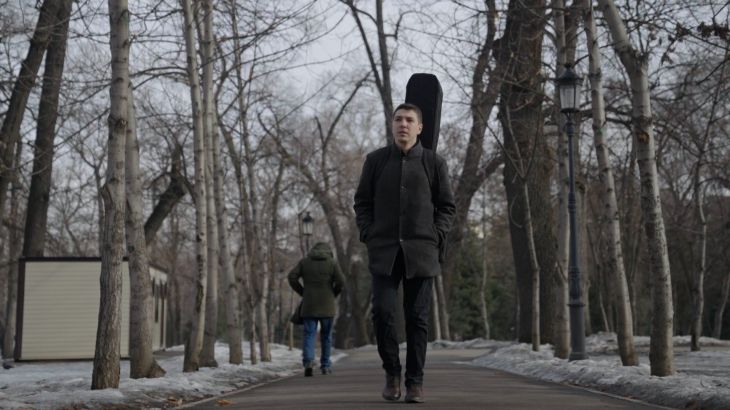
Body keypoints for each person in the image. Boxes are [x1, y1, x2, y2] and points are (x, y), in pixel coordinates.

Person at [353, 103, 456, 403]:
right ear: (392, 124)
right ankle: (392, 373)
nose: (403, 124)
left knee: (417, 319)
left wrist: (436, 235)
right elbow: (362, 202)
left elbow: (447, 207)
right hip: (384, 251)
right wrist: (368, 233)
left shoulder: (434, 163)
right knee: (383, 313)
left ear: (419, 127)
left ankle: (414, 382)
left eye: (410, 120)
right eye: (398, 119)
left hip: (421, 252)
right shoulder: (376, 161)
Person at [288, 241, 346, 376]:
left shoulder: (304, 262)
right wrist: (334, 293)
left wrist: (303, 291)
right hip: (327, 305)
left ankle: (308, 362)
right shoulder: (332, 263)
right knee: (326, 336)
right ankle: (325, 365)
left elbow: (292, 277)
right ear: (328, 251)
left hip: (309, 305)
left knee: (309, 334)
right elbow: (341, 281)